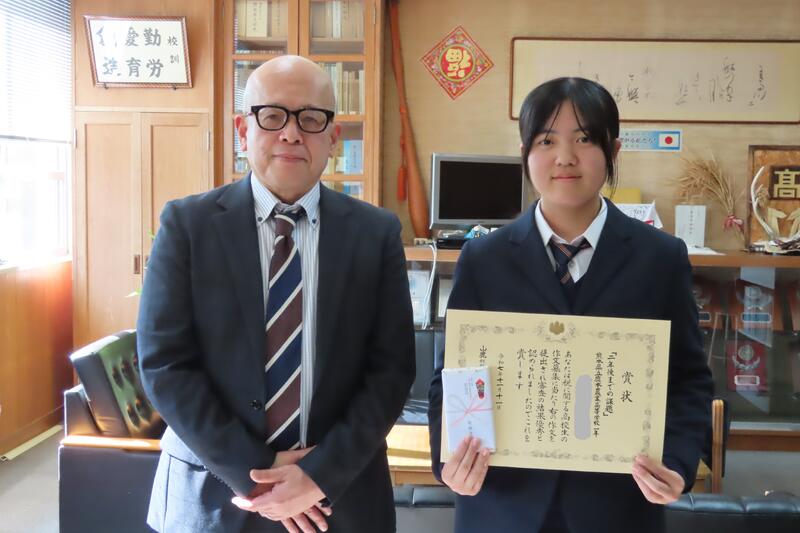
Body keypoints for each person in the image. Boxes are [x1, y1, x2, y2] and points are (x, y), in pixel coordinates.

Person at [137, 55, 415, 533]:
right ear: (243, 131)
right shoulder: (187, 226)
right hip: (214, 495)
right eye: (272, 116)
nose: (291, 134)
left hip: (339, 500)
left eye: (311, 119)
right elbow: (164, 364)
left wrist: (318, 474)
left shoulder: (376, 234)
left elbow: (392, 371)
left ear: (333, 137)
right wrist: (257, 472)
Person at [427, 77, 713, 533]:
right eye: (546, 141)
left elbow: (688, 378)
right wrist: (450, 465)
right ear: (525, 152)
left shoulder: (660, 258)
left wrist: (677, 463)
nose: (565, 157)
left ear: (613, 151)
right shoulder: (483, 258)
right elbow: (451, 377)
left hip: (618, 508)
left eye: (583, 139)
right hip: (502, 507)